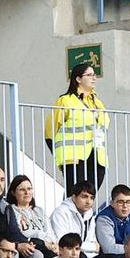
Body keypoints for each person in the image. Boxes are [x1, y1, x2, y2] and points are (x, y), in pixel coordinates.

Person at [46, 62, 110, 193]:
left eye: (94, 75)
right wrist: (59, 154)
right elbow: (49, 132)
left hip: (97, 154)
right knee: (75, 193)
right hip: (73, 155)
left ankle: (83, 213)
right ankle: (67, 213)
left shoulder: (97, 102)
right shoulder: (65, 100)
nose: (94, 78)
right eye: (89, 75)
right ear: (78, 79)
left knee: (89, 194)